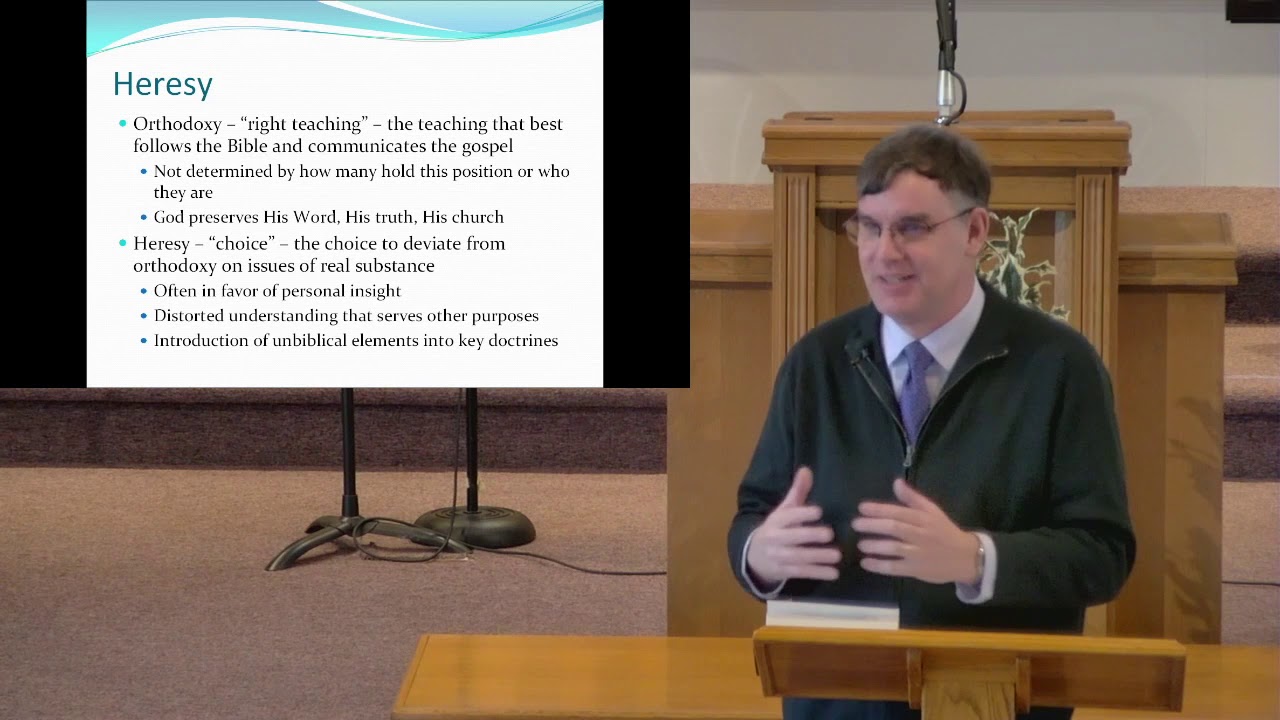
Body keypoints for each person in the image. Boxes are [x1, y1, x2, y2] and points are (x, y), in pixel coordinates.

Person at [726, 123, 1136, 720]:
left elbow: (1103, 554)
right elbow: (752, 518)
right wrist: (760, 554)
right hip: (839, 704)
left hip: (994, 701)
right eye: (869, 227)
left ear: (975, 231)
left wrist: (974, 559)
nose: (884, 252)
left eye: (912, 228)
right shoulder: (817, 361)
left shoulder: (1059, 366)